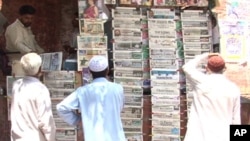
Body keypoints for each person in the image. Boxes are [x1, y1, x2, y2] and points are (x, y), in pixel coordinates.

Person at [57, 55, 126, 141]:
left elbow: (61, 108)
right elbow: (120, 107)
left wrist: (77, 120)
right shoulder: (118, 89)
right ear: (107, 70)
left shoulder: (82, 91)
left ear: (89, 71)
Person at [182, 53, 241, 141]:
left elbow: (187, 67)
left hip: (198, 136)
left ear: (207, 68)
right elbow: (236, 120)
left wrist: (205, 56)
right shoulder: (233, 88)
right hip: (223, 137)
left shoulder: (201, 82)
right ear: (224, 69)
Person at [10, 53, 56, 141]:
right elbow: (45, 121)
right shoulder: (40, 89)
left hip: (17, 137)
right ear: (39, 69)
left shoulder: (16, 85)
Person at [5, 5, 44, 76]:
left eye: (31, 18)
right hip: (17, 63)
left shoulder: (27, 28)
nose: (29, 20)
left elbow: (34, 44)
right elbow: (18, 43)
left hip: (30, 63)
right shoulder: (13, 28)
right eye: (26, 18)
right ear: (20, 16)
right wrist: (31, 52)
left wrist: (42, 53)